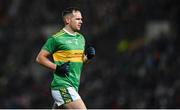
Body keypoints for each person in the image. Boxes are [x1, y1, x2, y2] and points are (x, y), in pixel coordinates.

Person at [36, 7, 95, 109]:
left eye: (81, 19)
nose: (81, 21)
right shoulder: (56, 38)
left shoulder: (81, 38)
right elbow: (40, 58)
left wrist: (88, 57)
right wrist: (57, 68)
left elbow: (78, 62)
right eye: (77, 19)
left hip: (74, 86)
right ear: (68, 20)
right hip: (62, 86)